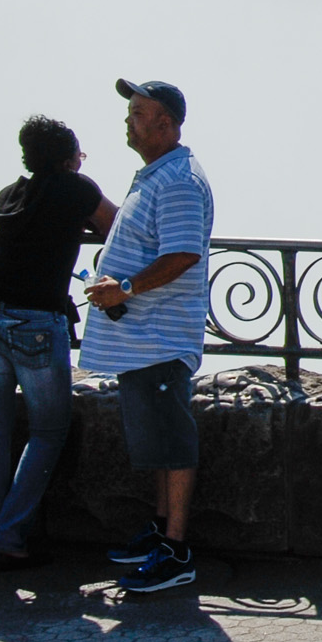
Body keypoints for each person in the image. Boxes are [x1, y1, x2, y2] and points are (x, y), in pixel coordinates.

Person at [0, 116, 116, 569]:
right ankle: (9, 537)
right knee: (49, 430)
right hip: (34, 319)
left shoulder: (9, 195)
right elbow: (116, 226)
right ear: (70, 158)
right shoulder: (76, 189)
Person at [82, 78, 214, 595]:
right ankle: (161, 535)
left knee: (172, 441)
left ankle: (176, 551)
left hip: (160, 336)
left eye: (138, 112)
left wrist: (127, 288)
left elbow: (183, 254)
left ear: (167, 123)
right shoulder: (156, 175)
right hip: (144, 340)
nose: (128, 119)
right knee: (157, 442)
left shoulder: (178, 180)